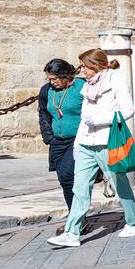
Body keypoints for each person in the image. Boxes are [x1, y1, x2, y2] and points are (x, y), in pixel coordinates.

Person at [47, 49, 135, 247]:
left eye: (84, 66)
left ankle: (133, 222)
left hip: (107, 141)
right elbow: (84, 118)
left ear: (95, 65)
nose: (81, 70)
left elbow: (128, 110)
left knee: (119, 183)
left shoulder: (114, 80)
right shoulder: (87, 86)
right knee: (79, 187)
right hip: (85, 143)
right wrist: (77, 144)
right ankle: (72, 233)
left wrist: (99, 120)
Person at [38, 58, 84, 214]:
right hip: (57, 142)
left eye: (54, 79)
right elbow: (43, 113)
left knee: (68, 176)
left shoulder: (81, 86)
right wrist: (49, 137)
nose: (52, 83)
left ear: (65, 75)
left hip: (77, 140)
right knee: (64, 181)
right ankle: (76, 216)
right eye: (49, 79)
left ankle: (76, 219)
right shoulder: (46, 91)